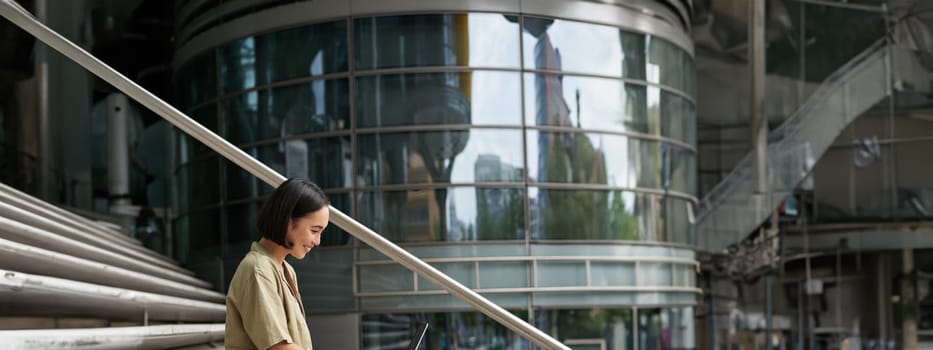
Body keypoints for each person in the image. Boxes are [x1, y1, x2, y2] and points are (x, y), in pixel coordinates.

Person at [225, 178, 330, 350]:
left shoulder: (285, 270)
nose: (317, 241)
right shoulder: (258, 270)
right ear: (288, 221)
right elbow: (278, 347)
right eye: (314, 231)